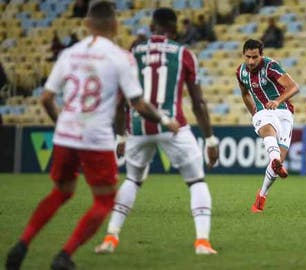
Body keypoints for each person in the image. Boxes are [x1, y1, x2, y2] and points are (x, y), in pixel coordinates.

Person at [5, 2, 179, 270]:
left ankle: (23, 243)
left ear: (86, 24)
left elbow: (47, 98)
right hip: (95, 138)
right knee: (105, 200)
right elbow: (139, 104)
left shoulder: (69, 54)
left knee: (61, 192)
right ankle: (65, 255)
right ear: (115, 25)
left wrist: (61, 125)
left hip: (65, 136)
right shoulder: (122, 57)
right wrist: (166, 120)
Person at [94, 7, 219, 255]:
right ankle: (202, 242)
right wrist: (210, 139)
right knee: (196, 181)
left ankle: (111, 236)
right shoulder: (184, 53)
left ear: (152, 27)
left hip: (138, 127)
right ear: (175, 30)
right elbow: (198, 102)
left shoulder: (132, 52)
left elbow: (121, 100)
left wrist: (120, 135)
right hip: (173, 126)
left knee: (132, 179)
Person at [236, 39, 299, 212]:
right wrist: (254, 113)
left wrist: (277, 100)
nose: (251, 61)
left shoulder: (271, 66)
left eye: (255, 57)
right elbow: (244, 94)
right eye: (248, 57)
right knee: (267, 129)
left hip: (284, 111)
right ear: (243, 55)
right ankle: (274, 160)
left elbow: (294, 87)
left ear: (261, 55)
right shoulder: (240, 72)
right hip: (263, 112)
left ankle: (262, 194)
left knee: (281, 155)